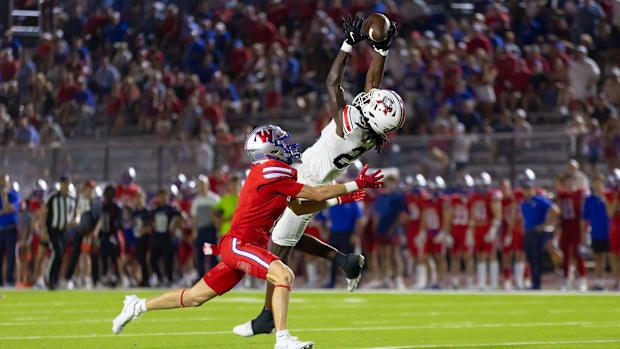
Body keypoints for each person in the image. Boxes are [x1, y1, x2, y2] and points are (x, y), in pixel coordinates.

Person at [112, 125, 383, 349]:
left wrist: (342, 198)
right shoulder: (270, 170)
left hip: (240, 246)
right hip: (240, 244)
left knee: (195, 297)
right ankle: (283, 339)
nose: (287, 144)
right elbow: (312, 194)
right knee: (284, 275)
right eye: (280, 141)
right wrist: (354, 183)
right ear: (268, 148)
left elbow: (301, 206)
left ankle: (137, 306)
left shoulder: (273, 173)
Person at [234, 15, 405, 337]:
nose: (374, 97)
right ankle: (344, 262)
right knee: (282, 240)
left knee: (278, 251)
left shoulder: (350, 127)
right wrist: (381, 50)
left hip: (307, 186)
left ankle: (267, 318)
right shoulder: (369, 131)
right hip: (309, 175)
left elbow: (332, 84)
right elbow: (372, 86)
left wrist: (347, 45)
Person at [520, 169, 560, 290]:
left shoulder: (539, 200)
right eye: (525, 189)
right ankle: (533, 281)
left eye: (528, 189)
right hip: (528, 233)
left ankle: (537, 283)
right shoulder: (523, 203)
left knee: (537, 258)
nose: (526, 191)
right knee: (530, 259)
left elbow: (555, 210)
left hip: (538, 233)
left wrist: (545, 225)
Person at [40, 177, 77, 290]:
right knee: (57, 252)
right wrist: (44, 229)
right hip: (53, 229)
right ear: (60, 184)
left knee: (60, 255)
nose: (65, 186)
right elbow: (43, 212)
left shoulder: (72, 198)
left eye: (67, 184)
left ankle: (54, 280)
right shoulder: (53, 198)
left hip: (64, 230)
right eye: (63, 184)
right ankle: (48, 278)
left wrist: (77, 219)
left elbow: (76, 212)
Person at [467, 172, 502, 290]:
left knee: (492, 254)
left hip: (488, 226)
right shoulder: (474, 197)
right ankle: (481, 282)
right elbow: (472, 214)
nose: (482, 188)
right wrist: (470, 231)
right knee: (479, 255)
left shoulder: (492, 196)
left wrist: (493, 229)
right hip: (478, 227)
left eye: (484, 186)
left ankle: (494, 283)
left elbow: (497, 215)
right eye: (480, 186)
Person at [64, 180, 101, 290]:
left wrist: (96, 232)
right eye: (88, 188)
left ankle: (95, 280)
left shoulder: (95, 202)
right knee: (75, 254)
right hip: (80, 231)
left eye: (91, 188)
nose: (90, 191)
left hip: (91, 232)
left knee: (94, 256)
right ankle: (68, 278)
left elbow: (99, 219)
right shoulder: (78, 200)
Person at [373, 174, 407, 289]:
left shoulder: (397, 197)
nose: (390, 184)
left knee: (395, 254)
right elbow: (377, 213)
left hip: (394, 229)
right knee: (384, 255)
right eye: (388, 181)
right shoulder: (381, 197)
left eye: (392, 182)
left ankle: (399, 279)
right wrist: (375, 227)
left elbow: (401, 216)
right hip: (381, 228)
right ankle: (386, 278)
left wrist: (392, 229)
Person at [582, 173, 615, 290]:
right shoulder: (589, 199)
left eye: (599, 182)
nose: (597, 185)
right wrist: (583, 234)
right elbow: (584, 218)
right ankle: (599, 282)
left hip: (610, 232)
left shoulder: (609, 196)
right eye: (595, 182)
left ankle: (617, 282)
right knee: (598, 258)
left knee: (613, 258)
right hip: (596, 233)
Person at [420, 176, 452, 289]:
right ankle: (430, 280)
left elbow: (447, 218)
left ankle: (440, 281)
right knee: (426, 256)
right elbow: (424, 217)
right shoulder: (427, 201)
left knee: (440, 257)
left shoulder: (444, 201)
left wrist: (444, 232)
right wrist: (422, 231)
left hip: (439, 232)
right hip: (429, 231)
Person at [557, 174, 587, 292]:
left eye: (571, 183)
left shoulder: (580, 194)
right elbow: (559, 211)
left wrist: (584, 230)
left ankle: (582, 280)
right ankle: (566, 279)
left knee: (578, 254)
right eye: (567, 183)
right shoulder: (562, 195)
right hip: (565, 228)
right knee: (565, 255)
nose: (569, 185)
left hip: (577, 228)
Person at [150, 188, 182, 287]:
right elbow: (151, 221)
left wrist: (175, 226)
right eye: (161, 196)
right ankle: (160, 278)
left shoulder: (171, 208)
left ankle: (169, 279)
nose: (162, 198)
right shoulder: (155, 210)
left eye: (164, 196)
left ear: (168, 197)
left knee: (168, 259)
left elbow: (180, 217)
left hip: (167, 237)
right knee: (153, 259)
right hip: (157, 237)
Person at [191, 175, 221, 279]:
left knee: (212, 254)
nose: (201, 186)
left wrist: (218, 229)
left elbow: (219, 216)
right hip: (201, 230)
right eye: (200, 184)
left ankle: (214, 277)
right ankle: (200, 277)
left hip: (211, 229)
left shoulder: (214, 199)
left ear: (207, 185)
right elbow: (194, 217)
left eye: (203, 184)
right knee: (200, 255)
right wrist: (194, 231)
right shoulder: (196, 201)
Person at [500, 179, 527, 290]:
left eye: (506, 187)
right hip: (506, 230)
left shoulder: (516, 196)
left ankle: (522, 279)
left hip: (518, 229)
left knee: (521, 254)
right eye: (502, 188)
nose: (504, 190)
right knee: (506, 255)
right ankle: (507, 279)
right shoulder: (499, 200)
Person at [449, 175, 474, 289]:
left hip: (466, 230)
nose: (464, 189)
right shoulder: (453, 199)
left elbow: (474, 216)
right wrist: (447, 232)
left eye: (466, 186)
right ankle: (455, 281)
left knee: (467, 257)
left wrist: (471, 231)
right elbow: (448, 216)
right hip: (455, 229)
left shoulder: (473, 199)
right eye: (462, 186)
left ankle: (469, 282)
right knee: (454, 256)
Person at [405, 174, 429, 289]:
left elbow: (425, 214)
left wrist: (422, 230)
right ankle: (421, 280)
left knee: (422, 255)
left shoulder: (423, 197)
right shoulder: (409, 197)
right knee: (415, 255)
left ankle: (423, 281)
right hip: (412, 228)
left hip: (420, 228)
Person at [0, 174, 19, 286]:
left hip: (11, 229)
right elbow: (5, 210)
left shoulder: (13, 195)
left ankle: (10, 280)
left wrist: (4, 197)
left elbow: (10, 208)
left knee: (11, 255)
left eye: (5, 182)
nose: (3, 184)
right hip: (0, 229)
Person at [131, 190, 152, 287]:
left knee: (144, 260)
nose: (138, 200)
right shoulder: (134, 212)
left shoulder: (146, 211)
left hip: (145, 239)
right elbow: (133, 224)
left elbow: (150, 226)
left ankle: (146, 279)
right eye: (137, 197)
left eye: (140, 197)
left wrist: (145, 229)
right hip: (137, 238)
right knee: (139, 260)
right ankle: (140, 278)